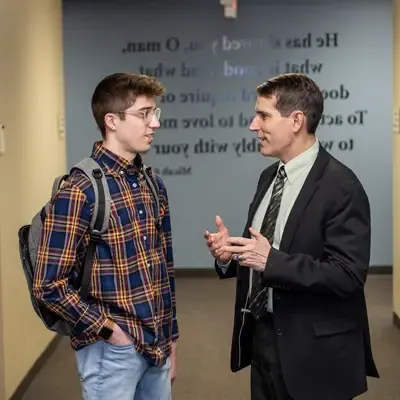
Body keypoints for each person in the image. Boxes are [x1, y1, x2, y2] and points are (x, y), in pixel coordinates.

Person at [204, 73, 378, 400]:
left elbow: (348, 275)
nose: (253, 126)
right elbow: (258, 251)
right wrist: (229, 254)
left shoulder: (342, 187)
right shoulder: (269, 177)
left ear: (296, 120)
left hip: (316, 355)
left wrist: (274, 262)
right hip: (264, 340)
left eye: (264, 116)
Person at [33, 73, 178, 400]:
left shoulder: (152, 184)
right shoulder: (80, 190)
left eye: (155, 113)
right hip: (112, 351)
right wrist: (109, 331)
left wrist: (171, 341)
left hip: (156, 344)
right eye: (144, 114)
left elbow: (164, 270)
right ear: (111, 121)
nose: (154, 123)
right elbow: (48, 284)